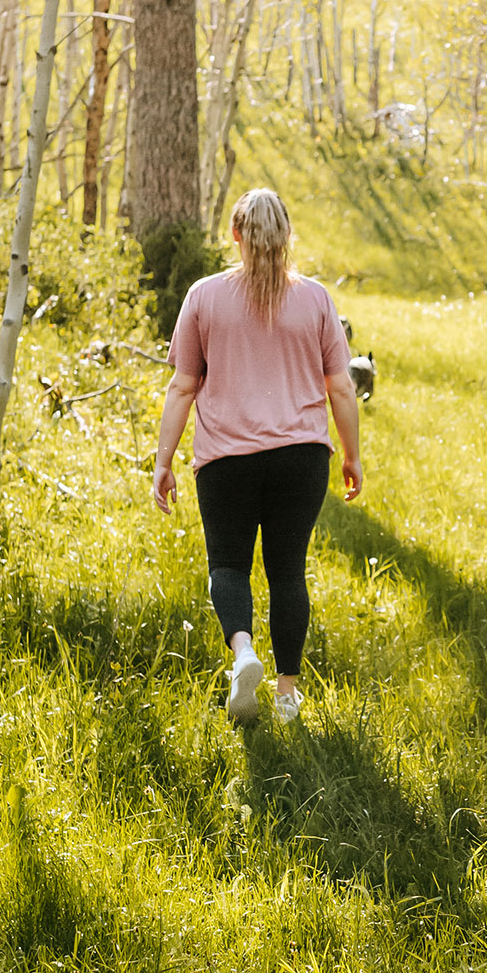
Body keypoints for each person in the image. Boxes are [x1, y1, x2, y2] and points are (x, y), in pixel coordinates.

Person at [151, 188, 364, 725]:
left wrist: (163, 461)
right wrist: (351, 456)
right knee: (288, 573)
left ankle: (244, 653)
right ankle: (288, 696)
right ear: (287, 235)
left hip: (227, 459)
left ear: (235, 234)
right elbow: (341, 388)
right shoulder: (315, 299)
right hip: (302, 457)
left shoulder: (203, 296)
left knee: (229, 564)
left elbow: (182, 387)